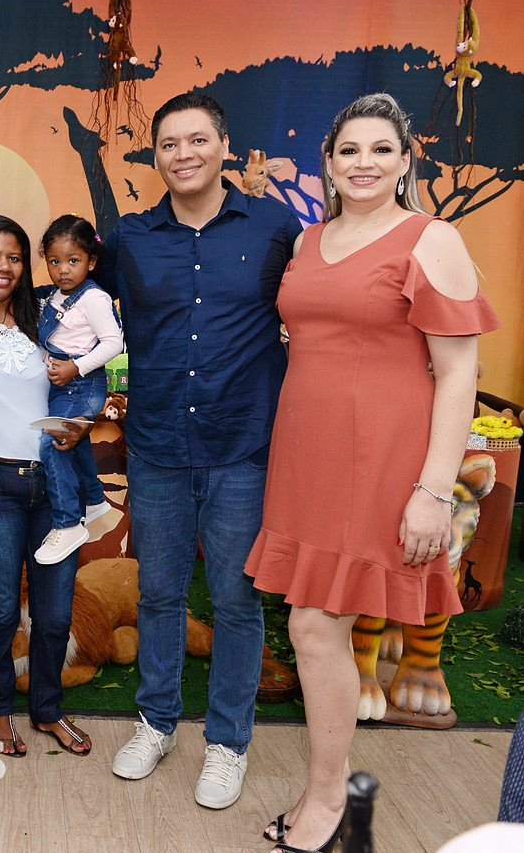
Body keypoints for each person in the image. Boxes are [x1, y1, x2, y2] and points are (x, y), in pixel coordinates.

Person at [245, 92, 499, 853]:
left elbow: (458, 373)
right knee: (312, 624)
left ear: (405, 161)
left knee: (313, 625)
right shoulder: (307, 240)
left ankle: (329, 803)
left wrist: (432, 492)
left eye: (381, 149)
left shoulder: (431, 238)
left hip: (381, 459)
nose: (364, 163)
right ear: (327, 163)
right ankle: (324, 791)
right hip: (306, 456)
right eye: (348, 150)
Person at [93, 92, 302, 809]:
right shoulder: (129, 238)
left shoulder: (274, 227)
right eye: (168, 144)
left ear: (223, 145)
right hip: (156, 446)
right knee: (158, 593)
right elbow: (80, 306)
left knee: (237, 601)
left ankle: (227, 742)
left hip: (242, 446)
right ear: (155, 155)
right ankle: (155, 723)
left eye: (196, 139)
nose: (182, 154)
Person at [0, 214, 95, 758]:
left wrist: (80, 423)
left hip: (54, 486)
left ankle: (48, 709)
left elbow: (85, 373)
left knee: (55, 614)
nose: (4, 267)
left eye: (14, 257)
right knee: (1, 608)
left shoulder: (47, 319)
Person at [33, 215, 124, 564]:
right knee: (75, 442)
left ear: (92, 261)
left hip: (83, 385)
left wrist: (76, 367)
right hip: (63, 386)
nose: (63, 270)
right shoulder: (55, 296)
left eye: (73, 261)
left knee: (54, 442)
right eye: (55, 261)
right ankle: (95, 500)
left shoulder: (93, 298)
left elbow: (114, 342)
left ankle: (68, 522)